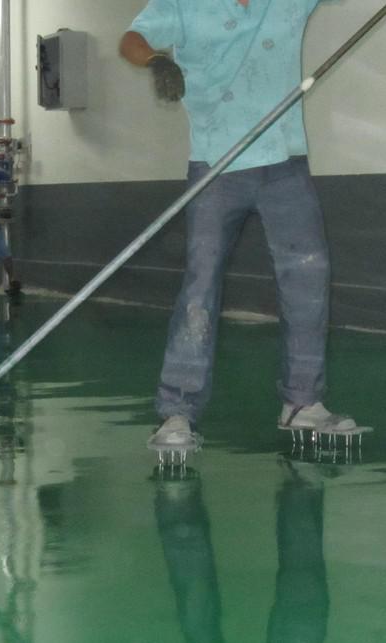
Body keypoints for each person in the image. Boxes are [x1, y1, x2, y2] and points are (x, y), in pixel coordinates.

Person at [120, 0, 359, 449]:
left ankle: (303, 403)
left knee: (308, 278)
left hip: (285, 162)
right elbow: (132, 40)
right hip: (216, 164)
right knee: (200, 286)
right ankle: (177, 412)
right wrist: (156, 61)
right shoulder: (183, 4)